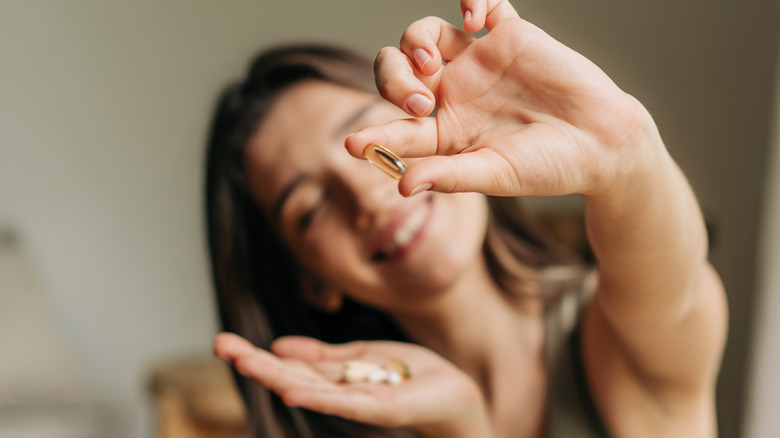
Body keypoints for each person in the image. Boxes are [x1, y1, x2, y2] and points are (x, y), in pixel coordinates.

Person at [205, 0, 727, 436]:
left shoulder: (611, 330)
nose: (365, 199)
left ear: (430, 120)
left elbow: (674, 296)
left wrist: (622, 147)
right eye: (311, 209)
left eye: (369, 143)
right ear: (311, 281)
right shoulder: (363, 412)